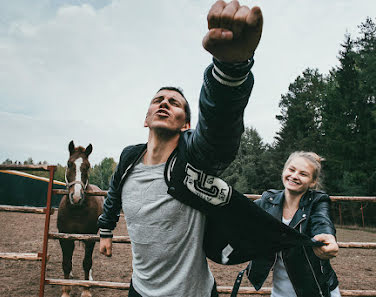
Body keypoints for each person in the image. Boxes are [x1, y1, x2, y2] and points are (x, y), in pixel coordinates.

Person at [97, 1, 263, 296]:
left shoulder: (193, 158)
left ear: (185, 124)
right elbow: (113, 194)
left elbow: (219, 129)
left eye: (174, 103)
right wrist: (106, 231)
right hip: (139, 290)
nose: (164, 103)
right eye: (158, 100)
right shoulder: (128, 158)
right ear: (146, 119)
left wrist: (229, 71)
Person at [247, 151, 341, 297]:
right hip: (280, 293)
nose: (295, 176)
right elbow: (242, 213)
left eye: (303, 174)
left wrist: (327, 237)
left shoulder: (318, 202)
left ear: (313, 181)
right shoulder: (267, 201)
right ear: (284, 170)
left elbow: (322, 221)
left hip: (317, 291)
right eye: (291, 170)